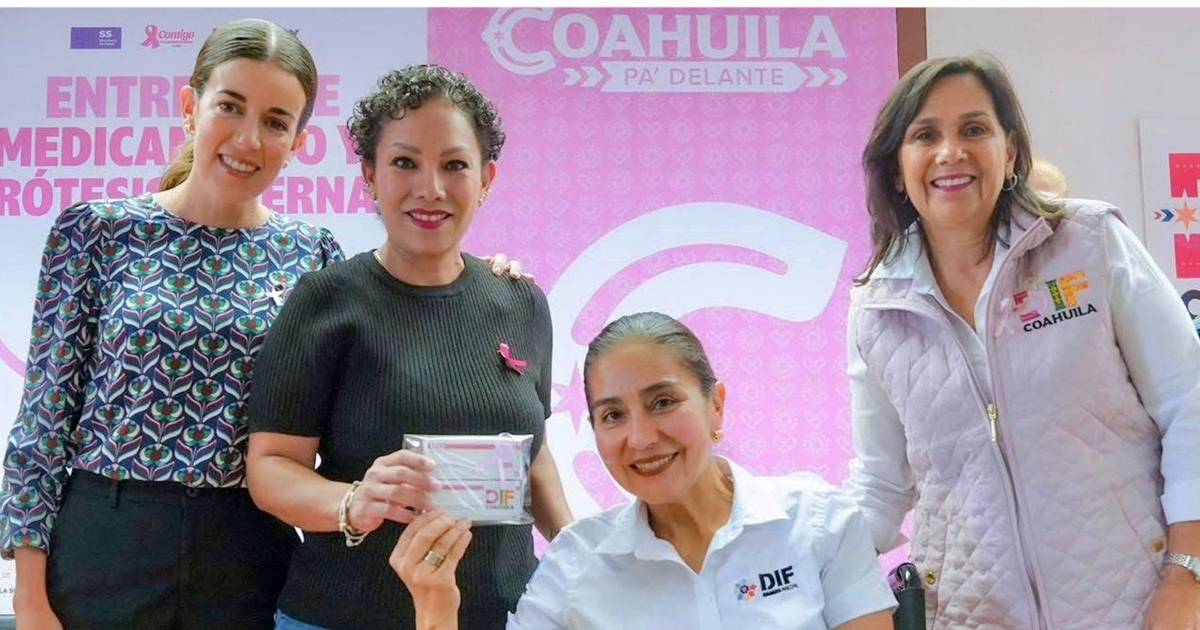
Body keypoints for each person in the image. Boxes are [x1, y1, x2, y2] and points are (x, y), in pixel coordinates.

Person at [0, 19, 343, 629]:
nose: (248, 138)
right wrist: (29, 596)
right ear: (190, 107)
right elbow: (44, 420)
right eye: (229, 107)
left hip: (248, 553)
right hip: (103, 544)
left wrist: (490, 279)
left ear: (298, 141)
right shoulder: (97, 231)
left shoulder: (313, 255)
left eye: (275, 121)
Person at [847, 53, 1200, 628]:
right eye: (925, 135)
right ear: (896, 168)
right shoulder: (876, 307)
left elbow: (1189, 403)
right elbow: (882, 483)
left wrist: (1188, 572)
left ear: (1009, 152)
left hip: (1137, 606)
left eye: (974, 130)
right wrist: (795, 555)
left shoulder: (1088, 242)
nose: (950, 152)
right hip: (970, 616)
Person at [244, 64, 573, 630]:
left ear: (486, 178)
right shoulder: (325, 300)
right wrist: (353, 502)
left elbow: (532, 451)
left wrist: (576, 549)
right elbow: (271, 468)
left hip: (507, 614)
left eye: (455, 165)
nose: (431, 189)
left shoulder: (522, 301)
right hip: (344, 616)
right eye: (405, 163)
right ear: (370, 175)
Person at [392, 311, 897, 630]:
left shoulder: (819, 521)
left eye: (663, 402)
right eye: (613, 415)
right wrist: (436, 607)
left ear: (716, 405)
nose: (641, 438)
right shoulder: (576, 562)